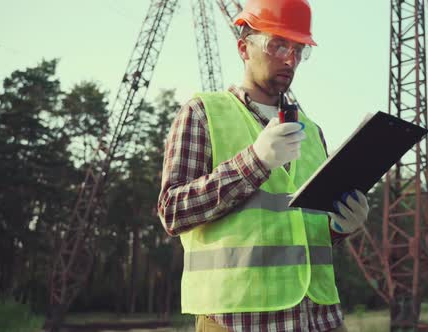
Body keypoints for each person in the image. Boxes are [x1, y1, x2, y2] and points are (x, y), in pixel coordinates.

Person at [157, 0, 370, 331]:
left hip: (318, 318)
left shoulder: (313, 133)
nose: (291, 58)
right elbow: (173, 212)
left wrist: (338, 228)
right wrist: (253, 162)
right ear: (244, 48)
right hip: (237, 319)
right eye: (278, 44)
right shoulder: (202, 114)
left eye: (299, 49)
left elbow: (297, 231)